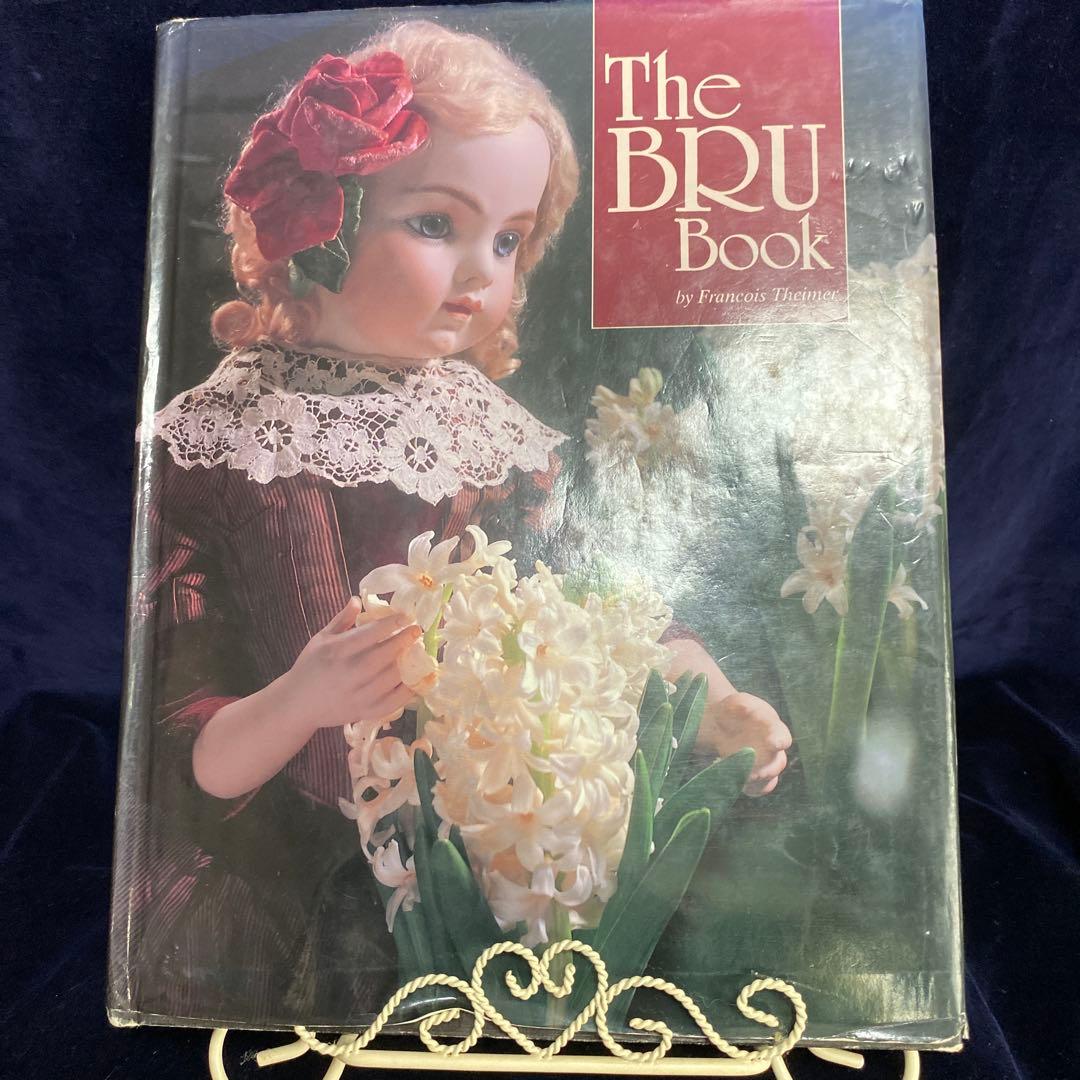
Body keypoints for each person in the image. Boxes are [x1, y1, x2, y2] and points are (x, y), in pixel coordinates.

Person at [126, 19, 791, 1026]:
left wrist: (712, 700)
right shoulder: (219, 442)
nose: (483, 270)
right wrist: (301, 700)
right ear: (318, 225)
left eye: (509, 239)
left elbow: (603, 607)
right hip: (280, 880)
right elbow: (174, 751)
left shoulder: (494, 444)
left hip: (486, 866)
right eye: (437, 223)